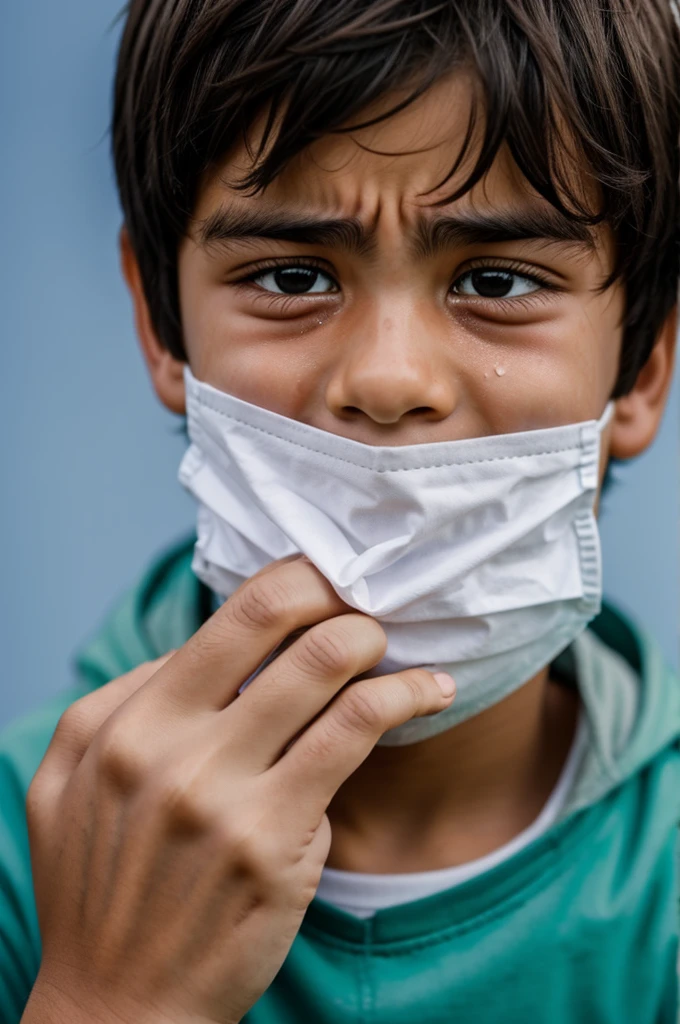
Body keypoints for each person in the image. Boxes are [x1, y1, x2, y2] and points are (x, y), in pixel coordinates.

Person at [3, 1, 679, 1021]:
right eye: (291, 276)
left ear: (643, 366)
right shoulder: (27, 852)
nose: (386, 377)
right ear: (161, 327)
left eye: (494, 280)